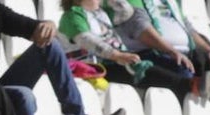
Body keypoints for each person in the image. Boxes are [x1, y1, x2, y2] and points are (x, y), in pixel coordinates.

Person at [57, 0, 193, 100]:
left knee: (160, 65)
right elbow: (88, 41)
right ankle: (188, 86)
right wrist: (117, 55)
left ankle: (197, 85)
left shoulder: (102, 13)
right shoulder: (71, 16)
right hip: (97, 67)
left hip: (115, 62)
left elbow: (126, 11)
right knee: (142, 69)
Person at [114, 0, 210, 103]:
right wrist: (171, 51)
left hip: (185, 52)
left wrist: (209, 50)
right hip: (153, 52)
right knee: (184, 71)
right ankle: (204, 93)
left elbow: (188, 28)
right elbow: (140, 28)